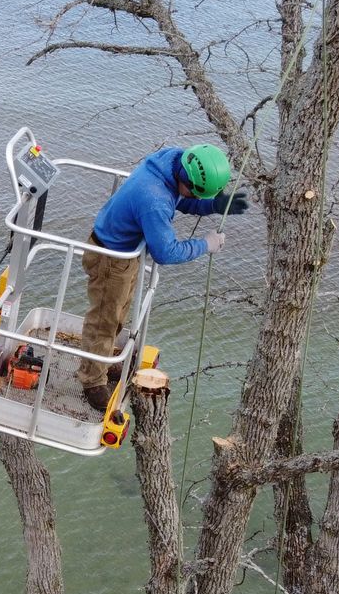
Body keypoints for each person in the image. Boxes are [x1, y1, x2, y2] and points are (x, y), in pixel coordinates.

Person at [76, 143, 249, 410]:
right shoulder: (154, 199)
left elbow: (184, 198)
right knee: (104, 321)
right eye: (196, 192)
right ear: (186, 180)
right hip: (110, 259)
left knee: (117, 315)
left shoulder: (171, 161)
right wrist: (206, 244)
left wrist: (215, 204)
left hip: (124, 253)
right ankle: (92, 381)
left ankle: (102, 362)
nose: (194, 197)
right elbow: (166, 252)